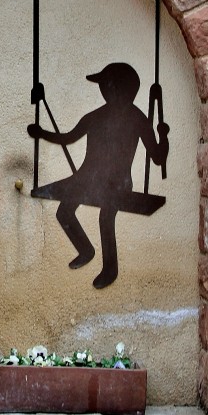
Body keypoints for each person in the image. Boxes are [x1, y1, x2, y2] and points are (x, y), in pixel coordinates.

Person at [28, 62, 169, 289]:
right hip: (86, 179)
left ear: (117, 88)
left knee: (105, 218)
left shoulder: (138, 119)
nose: (103, 90)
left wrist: (163, 136)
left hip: (117, 185)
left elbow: (158, 157)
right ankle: (86, 250)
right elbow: (68, 138)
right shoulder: (95, 117)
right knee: (64, 212)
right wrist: (42, 133)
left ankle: (110, 268)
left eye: (105, 85)